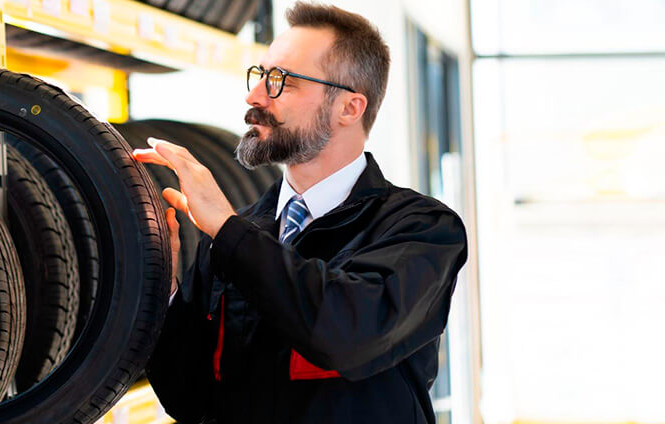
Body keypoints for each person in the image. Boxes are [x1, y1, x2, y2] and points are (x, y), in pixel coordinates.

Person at [130, 2, 469, 423]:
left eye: (282, 82)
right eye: (260, 76)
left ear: (349, 107)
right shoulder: (240, 233)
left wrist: (226, 228)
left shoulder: (421, 230)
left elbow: (347, 333)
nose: (254, 97)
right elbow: (189, 399)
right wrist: (167, 289)